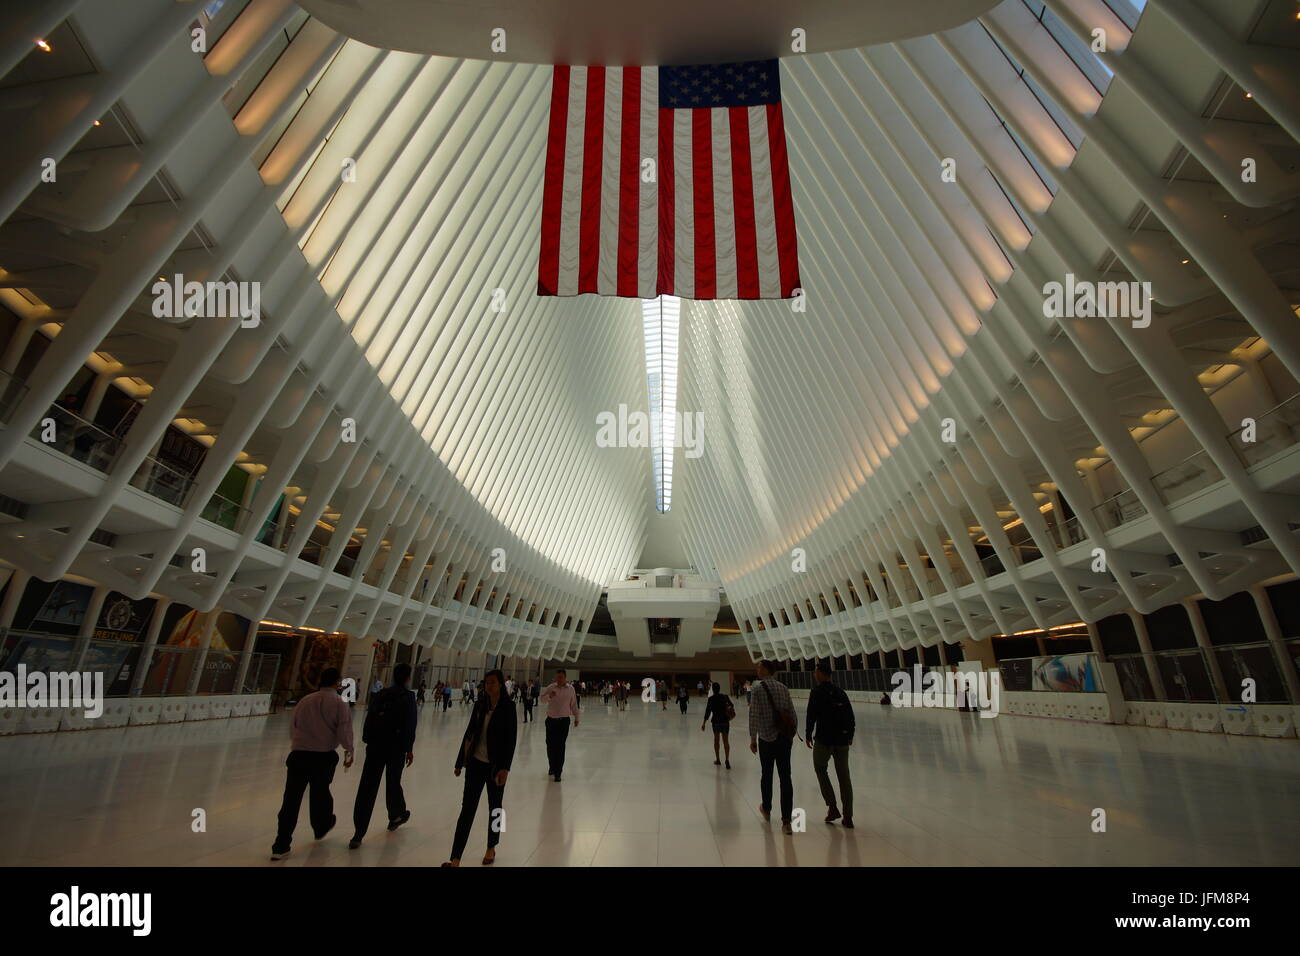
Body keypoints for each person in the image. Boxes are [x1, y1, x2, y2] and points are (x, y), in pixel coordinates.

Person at [271, 668, 354, 860]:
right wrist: (349, 750)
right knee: (321, 792)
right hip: (322, 757)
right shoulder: (339, 703)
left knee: (291, 799)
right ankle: (321, 825)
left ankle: (281, 843)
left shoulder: (305, 701)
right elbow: (344, 730)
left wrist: (299, 744)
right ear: (336, 683)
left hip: (299, 755)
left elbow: (294, 726)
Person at [444, 669, 516, 867]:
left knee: (496, 808)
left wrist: (505, 768)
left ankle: (492, 846)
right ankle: (456, 857)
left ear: (500, 684)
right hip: (475, 764)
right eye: (487, 682)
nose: (489, 686)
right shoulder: (480, 705)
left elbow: (511, 740)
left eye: (492, 682)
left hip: (495, 766)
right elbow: (469, 734)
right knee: (467, 809)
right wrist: (460, 762)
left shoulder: (508, 707)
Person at [350, 662, 417, 848]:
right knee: (393, 781)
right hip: (395, 747)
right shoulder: (408, 697)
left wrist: (368, 739)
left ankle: (358, 831)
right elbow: (410, 725)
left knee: (367, 786)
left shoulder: (381, 694)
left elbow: (370, 717)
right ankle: (396, 814)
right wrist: (409, 748)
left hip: (376, 746)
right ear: (406, 678)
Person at [749, 659, 797, 834]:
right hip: (784, 739)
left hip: (766, 739)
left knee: (766, 774)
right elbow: (792, 713)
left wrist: (752, 738)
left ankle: (767, 808)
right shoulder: (783, 688)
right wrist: (790, 736)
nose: (757, 670)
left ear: (766, 670)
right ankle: (786, 822)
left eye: (759, 667)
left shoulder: (757, 688)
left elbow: (754, 714)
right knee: (786, 777)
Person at [806, 660, 856, 828]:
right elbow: (850, 715)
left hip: (824, 740)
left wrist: (807, 734)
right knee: (844, 777)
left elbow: (811, 714)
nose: (814, 674)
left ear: (820, 674)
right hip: (842, 740)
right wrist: (850, 734)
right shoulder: (840, 692)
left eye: (816, 671)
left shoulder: (816, 692)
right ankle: (848, 816)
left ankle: (832, 806)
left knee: (820, 769)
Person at [540, 669, 579, 781]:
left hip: (564, 721)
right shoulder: (551, 687)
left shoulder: (571, 689)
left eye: (561, 677)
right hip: (551, 721)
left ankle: (558, 772)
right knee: (550, 745)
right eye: (557, 677)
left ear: (565, 677)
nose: (559, 679)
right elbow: (542, 699)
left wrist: (577, 717)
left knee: (560, 746)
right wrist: (549, 696)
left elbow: (574, 704)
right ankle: (552, 766)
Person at [701, 682, 734, 768]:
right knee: (726, 741)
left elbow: (707, 711)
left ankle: (718, 759)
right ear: (719, 689)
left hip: (716, 722)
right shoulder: (725, 697)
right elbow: (732, 705)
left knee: (716, 740)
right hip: (725, 721)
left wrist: (704, 723)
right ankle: (727, 760)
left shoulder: (711, 699)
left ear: (713, 689)